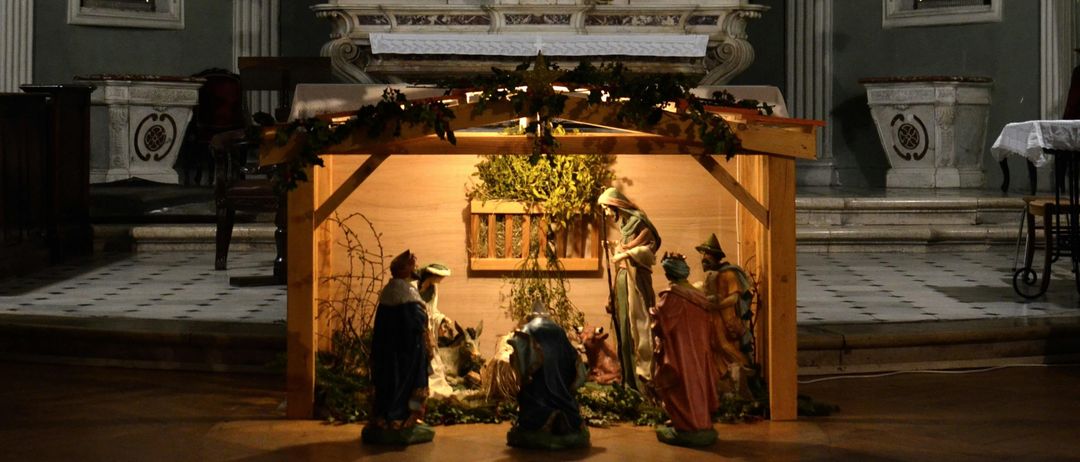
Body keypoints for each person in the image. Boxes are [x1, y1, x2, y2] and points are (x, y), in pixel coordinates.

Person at [361, 250, 435, 445]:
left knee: (389, 383)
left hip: (389, 351)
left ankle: (386, 417)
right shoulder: (405, 294)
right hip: (406, 353)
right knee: (401, 384)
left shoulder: (389, 293)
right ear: (405, 270)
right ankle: (397, 419)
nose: (415, 268)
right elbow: (415, 322)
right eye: (412, 265)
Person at [650, 253, 719, 447]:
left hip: (680, 351)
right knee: (696, 384)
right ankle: (694, 420)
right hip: (698, 349)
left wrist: (653, 312)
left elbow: (662, 323)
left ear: (670, 273)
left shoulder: (673, 296)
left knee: (680, 386)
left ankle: (688, 424)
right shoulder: (698, 295)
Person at [597, 187, 660, 392]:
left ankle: (641, 379)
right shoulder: (625, 224)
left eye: (607, 208)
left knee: (637, 326)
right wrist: (614, 244)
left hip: (635, 281)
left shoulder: (639, 220)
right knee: (622, 325)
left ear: (616, 204)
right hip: (623, 278)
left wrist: (625, 253)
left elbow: (647, 247)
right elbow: (626, 246)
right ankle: (627, 378)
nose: (607, 212)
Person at [506, 300, 590, 450]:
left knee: (529, 398)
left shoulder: (527, 330)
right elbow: (574, 359)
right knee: (565, 401)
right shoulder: (558, 330)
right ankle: (563, 416)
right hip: (560, 386)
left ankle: (545, 418)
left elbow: (523, 361)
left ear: (531, 317)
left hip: (538, 388)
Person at [695, 234, 755, 395]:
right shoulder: (712, 275)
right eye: (703, 255)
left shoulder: (728, 274)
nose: (704, 258)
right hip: (713, 318)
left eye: (707, 255)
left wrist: (715, 305)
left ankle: (746, 372)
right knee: (714, 347)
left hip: (727, 318)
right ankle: (722, 383)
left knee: (726, 346)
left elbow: (734, 297)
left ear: (715, 256)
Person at [415, 263, 454, 398]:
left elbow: (433, 311)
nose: (441, 280)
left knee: (432, 357)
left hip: (428, 328)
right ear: (432, 275)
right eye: (440, 276)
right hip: (417, 326)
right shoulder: (415, 287)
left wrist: (442, 318)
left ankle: (432, 385)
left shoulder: (434, 289)